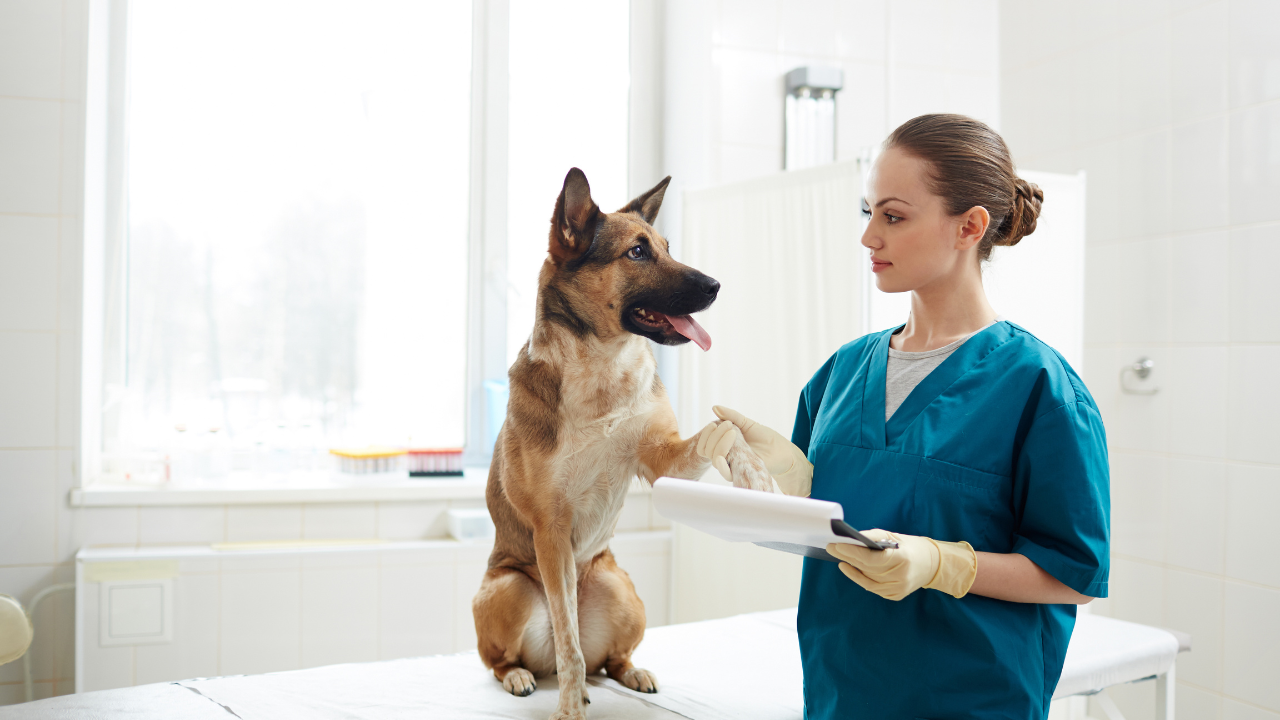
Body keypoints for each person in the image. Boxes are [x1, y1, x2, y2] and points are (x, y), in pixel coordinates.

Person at [698, 114, 1110, 720]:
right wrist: (788, 493)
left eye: (892, 216)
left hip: (971, 700)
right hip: (841, 692)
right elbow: (836, 527)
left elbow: (1073, 573)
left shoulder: (1039, 388)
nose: (869, 238)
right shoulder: (842, 372)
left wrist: (946, 563)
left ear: (968, 226)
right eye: (867, 214)